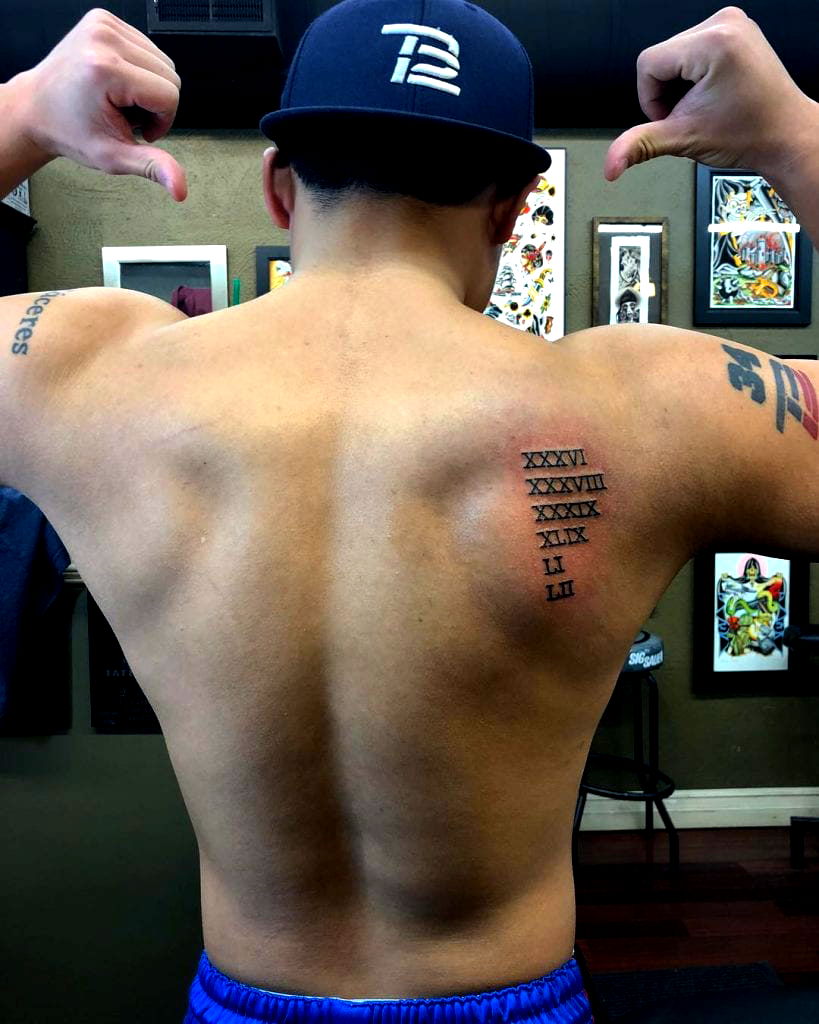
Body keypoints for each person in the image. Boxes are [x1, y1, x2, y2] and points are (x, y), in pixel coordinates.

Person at [0, 3, 817, 1022]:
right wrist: (797, 137)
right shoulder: (649, 405)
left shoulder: (86, 371)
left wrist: (23, 111)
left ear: (279, 188)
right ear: (514, 212)